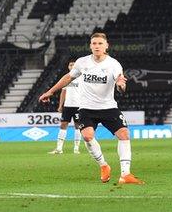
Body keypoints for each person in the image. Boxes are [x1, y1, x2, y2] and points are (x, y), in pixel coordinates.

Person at [39, 33, 143, 184]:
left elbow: (121, 86)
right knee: (87, 136)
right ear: (90, 46)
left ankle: (125, 174)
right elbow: (68, 78)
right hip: (86, 108)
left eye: (100, 43)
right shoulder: (82, 62)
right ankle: (103, 165)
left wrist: (121, 85)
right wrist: (50, 91)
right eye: (94, 43)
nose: (97, 46)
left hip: (108, 107)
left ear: (106, 46)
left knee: (124, 134)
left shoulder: (113, 64)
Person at [47, 59, 82, 155]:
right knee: (63, 125)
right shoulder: (67, 78)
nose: (72, 66)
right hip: (67, 106)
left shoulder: (81, 77)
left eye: (73, 65)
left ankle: (76, 148)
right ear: (68, 67)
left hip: (78, 106)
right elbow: (63, 92)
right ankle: (59, 149)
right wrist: (60, 105)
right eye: (70, 65)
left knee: (77, 126)